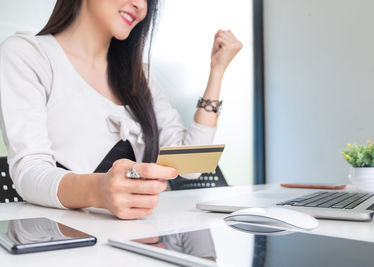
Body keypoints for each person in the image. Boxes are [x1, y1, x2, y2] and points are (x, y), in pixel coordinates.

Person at [0, 0, 242, 219]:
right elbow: (29, 172)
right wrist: (98, 191)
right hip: (67, 242)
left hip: (137, 238)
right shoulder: (28, 54)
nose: (140, 5)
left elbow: (192, 167)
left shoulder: (140, 76)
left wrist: (217, 72)